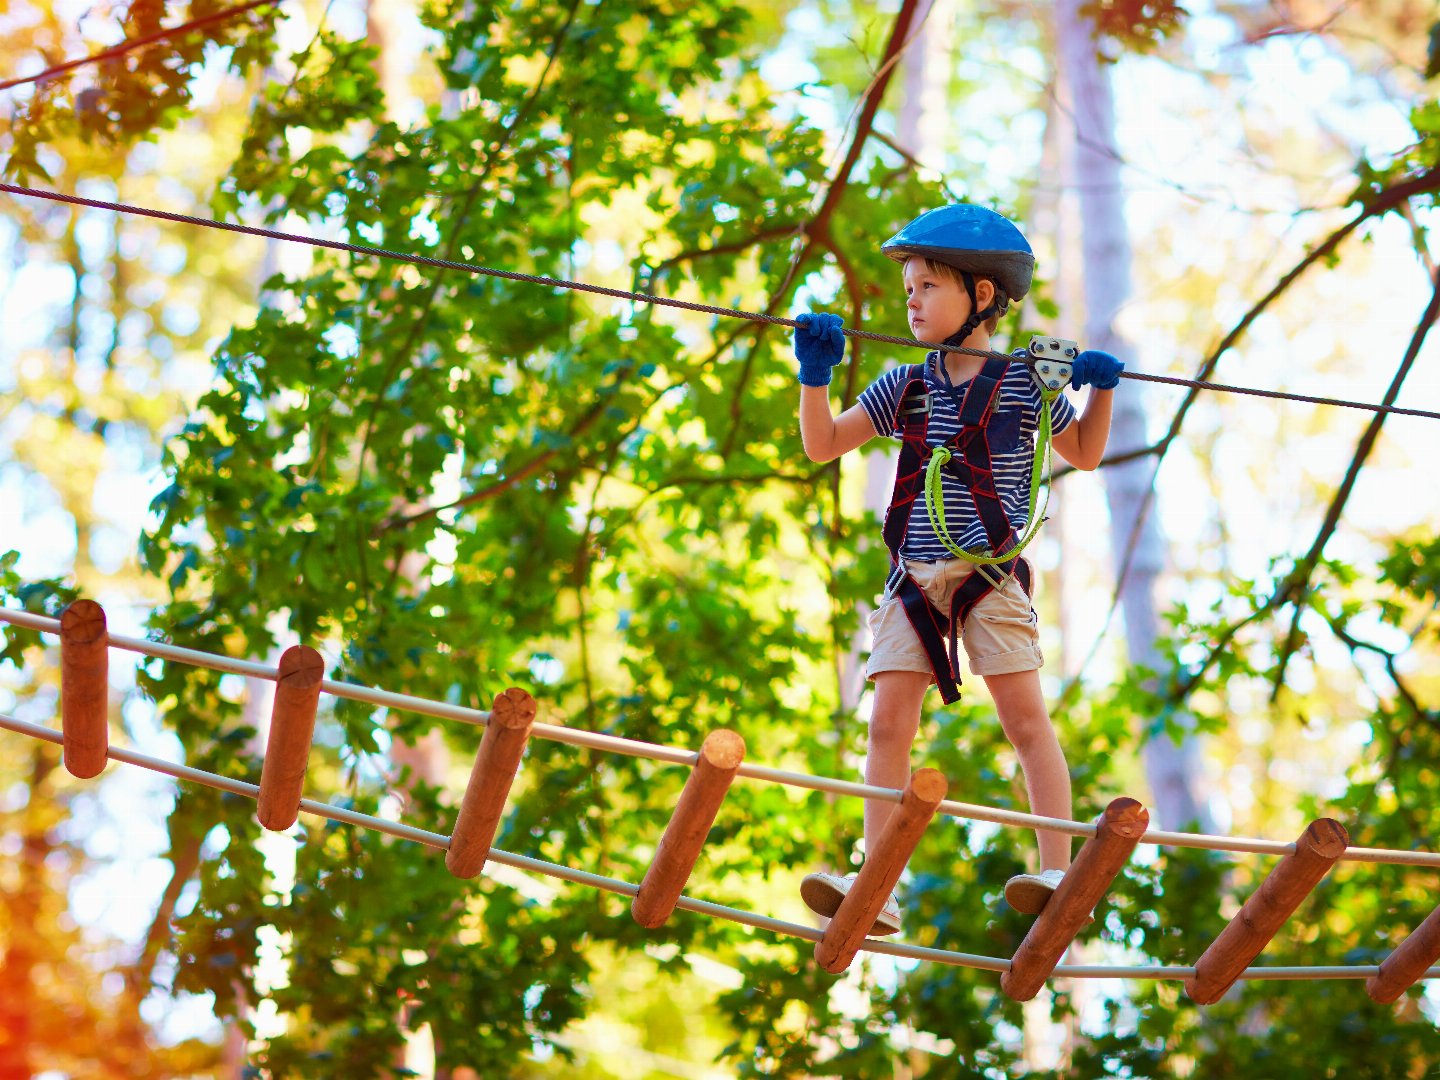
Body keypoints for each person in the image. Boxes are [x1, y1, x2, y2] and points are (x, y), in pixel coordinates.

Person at [792, 204, 1122, 935]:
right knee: (887, 725)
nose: (910, 302)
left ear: (980, 296)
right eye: (907, 289)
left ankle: (1056, 868)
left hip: (989, 578)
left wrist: (1096, 392)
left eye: (927, 287)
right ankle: (877, 877)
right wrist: (815, 376)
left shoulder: (1030, 382)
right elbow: (822, 445)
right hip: (914, 578)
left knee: (1026, 722)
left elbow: (1086, 454)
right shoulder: (905, 385)